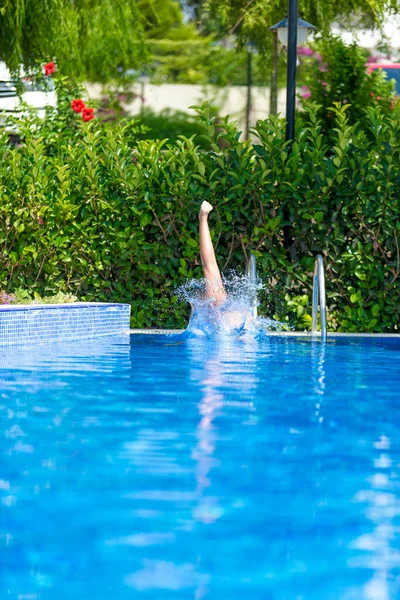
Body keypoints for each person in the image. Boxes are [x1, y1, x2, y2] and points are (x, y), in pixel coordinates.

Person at [198, 200, 253, 332]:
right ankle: (202, 218)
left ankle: (202, 218)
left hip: (230, 321)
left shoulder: (219, 309)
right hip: (229, 319)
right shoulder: (218, 306)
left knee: (210, 271)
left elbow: (209, 265)